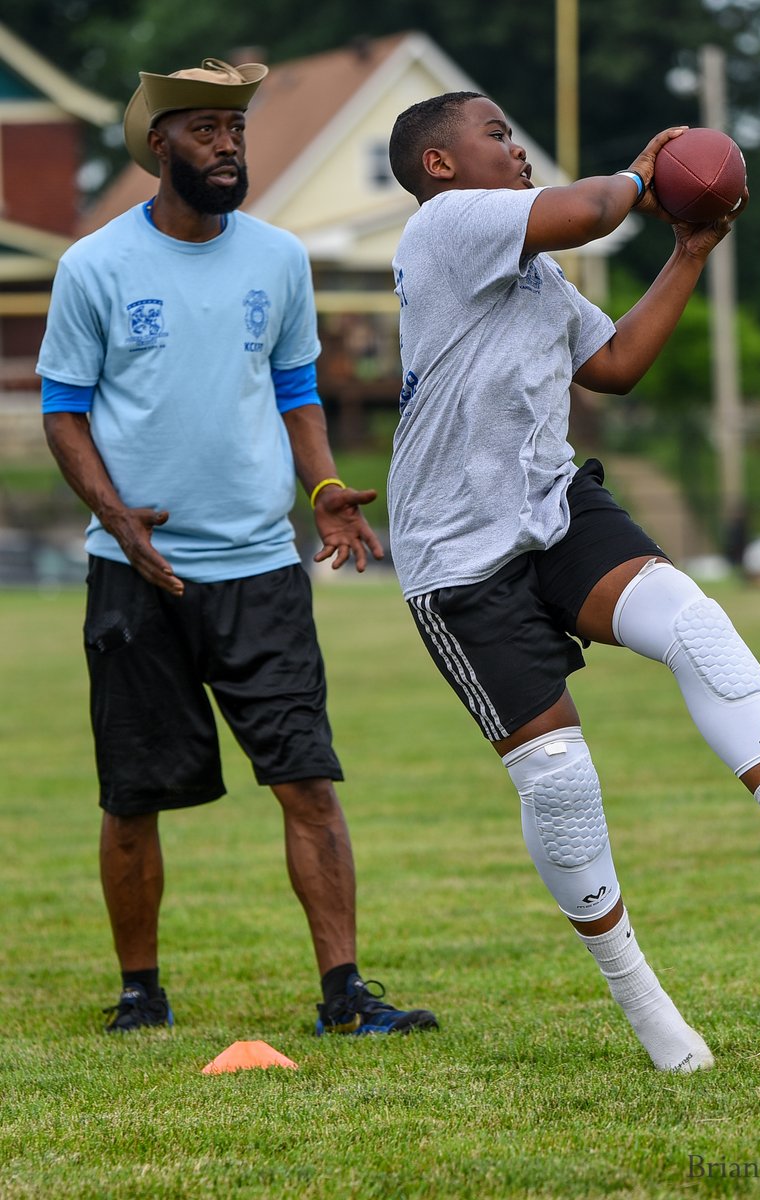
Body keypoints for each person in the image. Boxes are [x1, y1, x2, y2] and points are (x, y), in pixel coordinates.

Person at [385, 92, 760, 1073]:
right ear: (440, 166)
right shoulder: (446, 226)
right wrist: (644, 171)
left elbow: (614, 362)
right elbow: (589, 211)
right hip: (459, 557)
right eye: (495, 133)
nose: (515, 144)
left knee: (691, 620)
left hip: (552, 508)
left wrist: (690, 254)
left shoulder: (533, 276)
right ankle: (644, 1001)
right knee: (561, 779)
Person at [36, 58, 437, 1038]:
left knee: (308, 779)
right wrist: (119, 518)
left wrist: (327, 489)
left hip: (260, 569)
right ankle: (142, 993)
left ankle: (344, 994)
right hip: (135, 576)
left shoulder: (277, 259)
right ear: (158, 145)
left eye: (238, 129)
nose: (229, 144)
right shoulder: (93, 266)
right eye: (207, 129)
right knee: (133, 797)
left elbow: (296, 390)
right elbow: (62, 412)